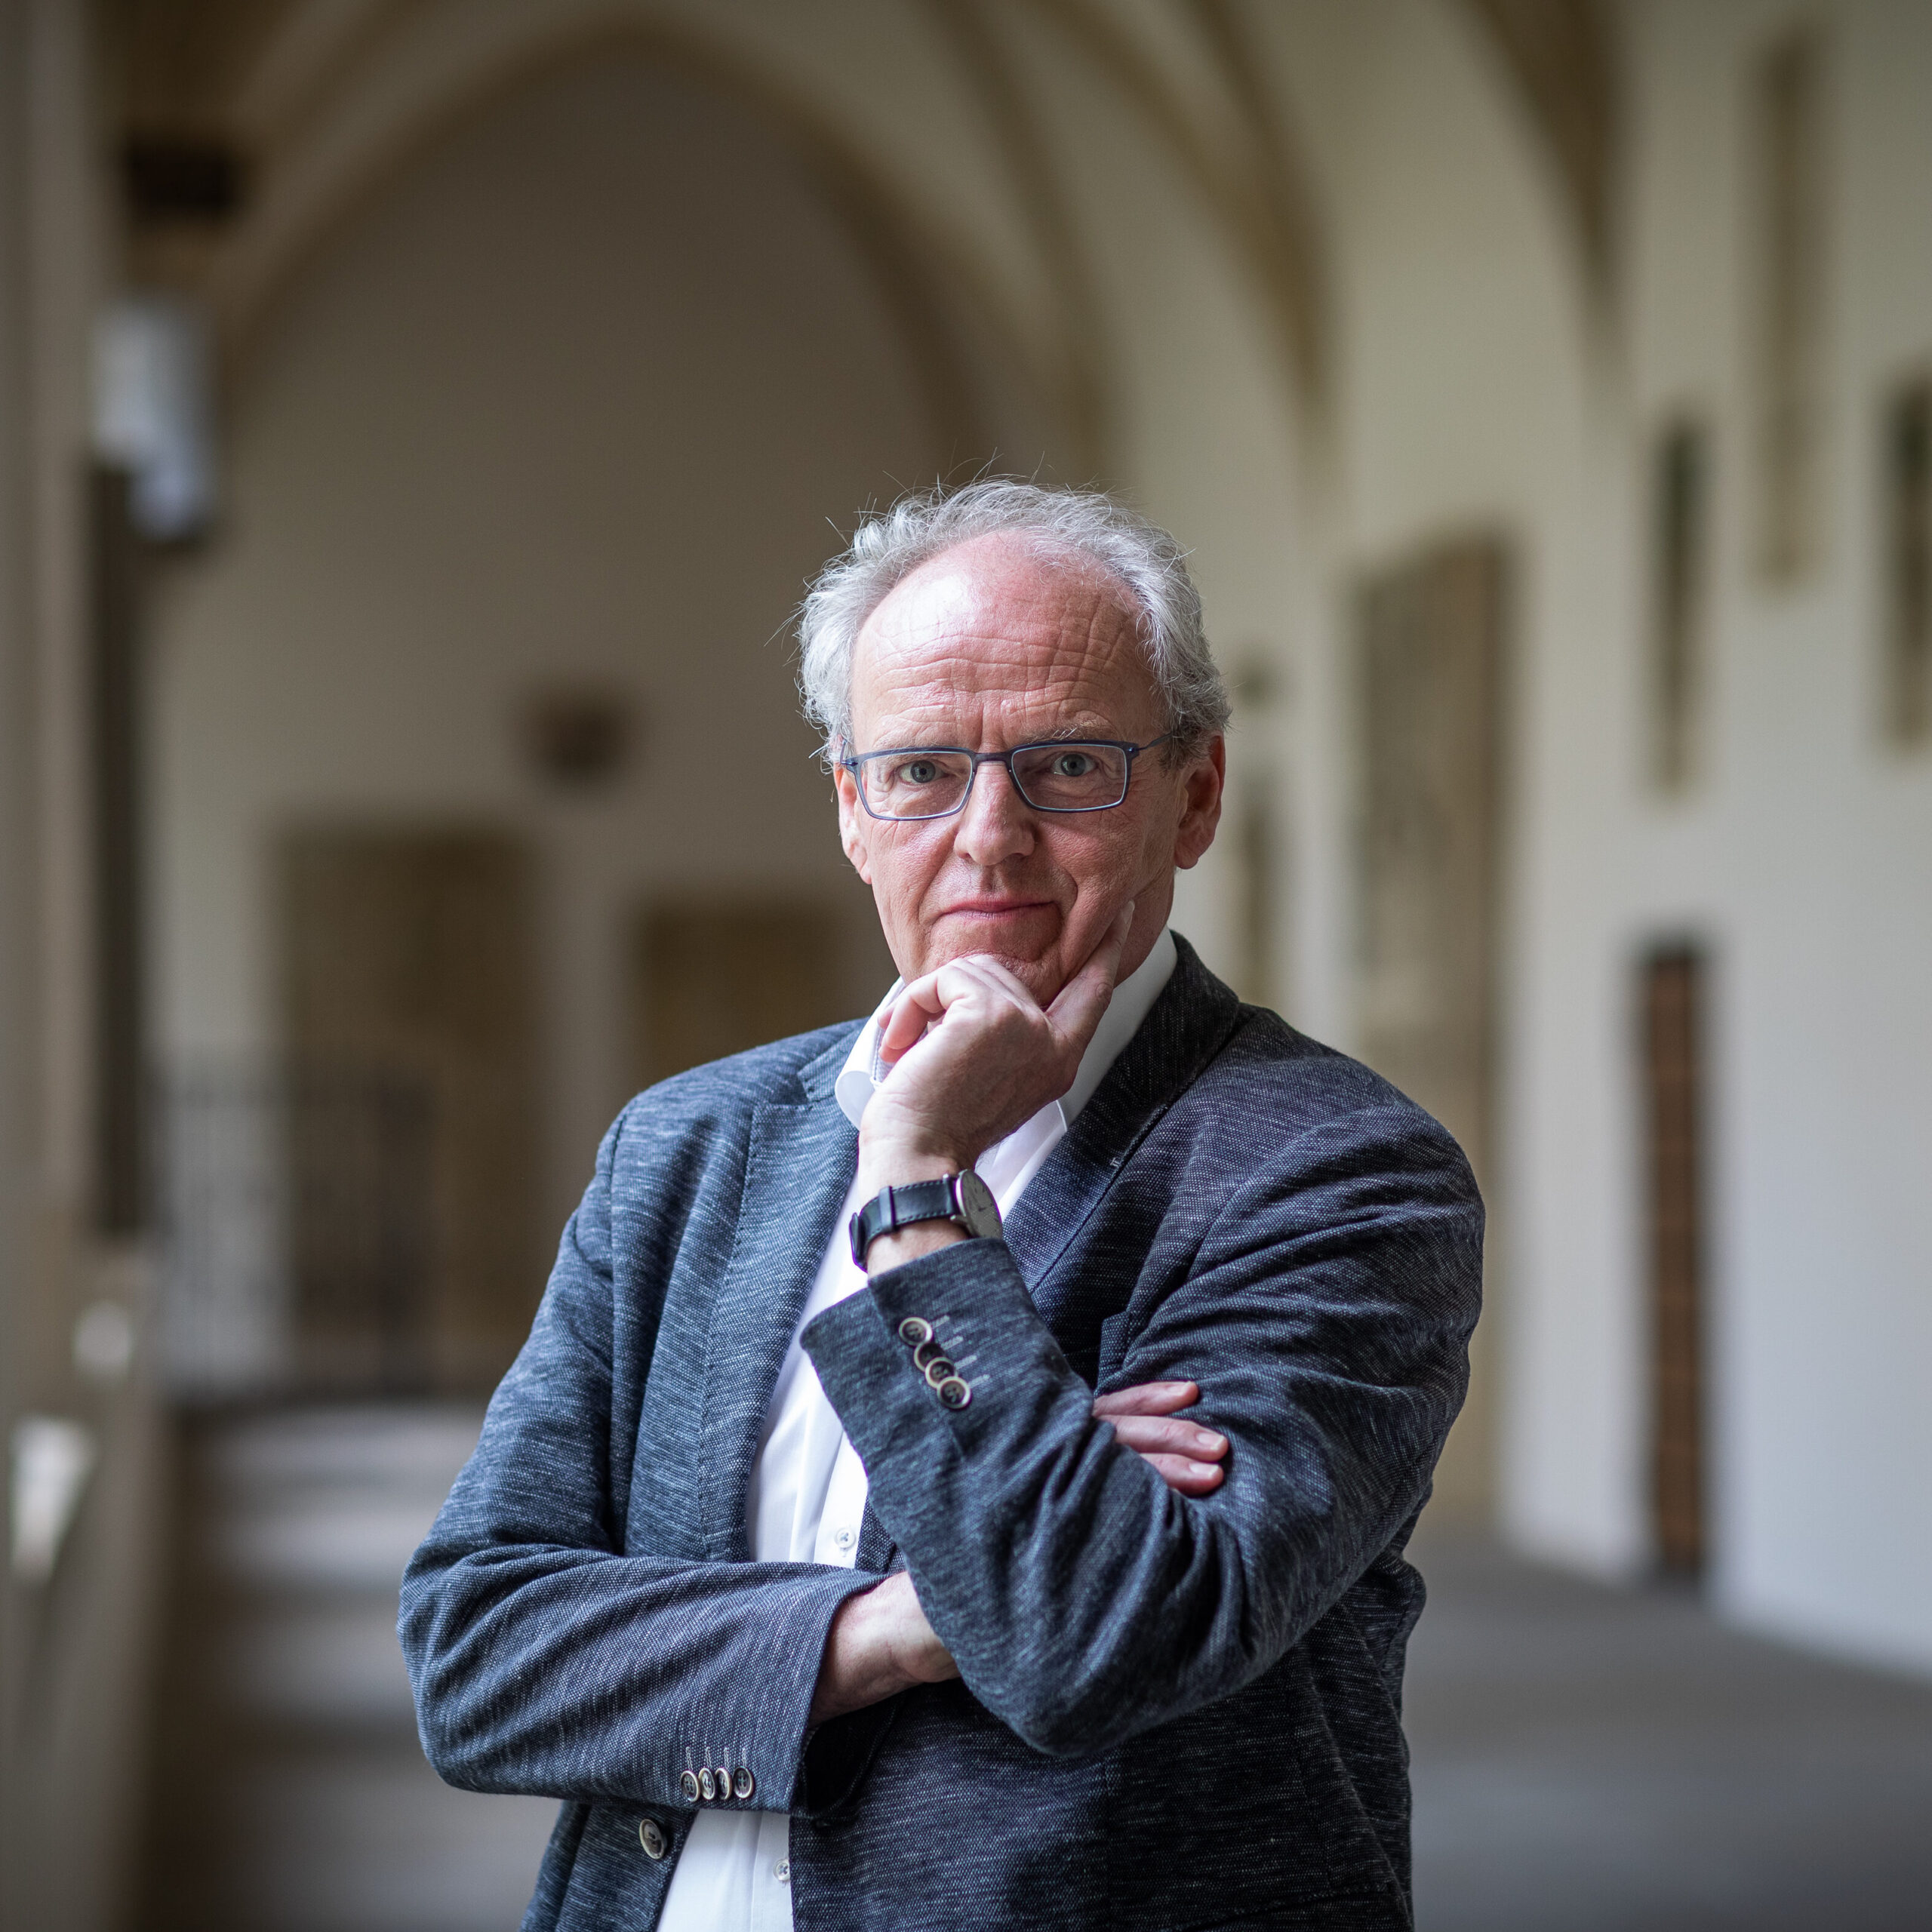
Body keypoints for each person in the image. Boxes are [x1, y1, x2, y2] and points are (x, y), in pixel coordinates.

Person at [401, 480, 1482, 1932]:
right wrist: (897, 1628)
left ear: (1196, 796)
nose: (990, 838)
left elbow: (1090, 1641)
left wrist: (914, 1187)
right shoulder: (685, 1151)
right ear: (852, 811)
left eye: (1070, 766)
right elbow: (475, 1657)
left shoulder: (1339, 1171)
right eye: (921, 772)